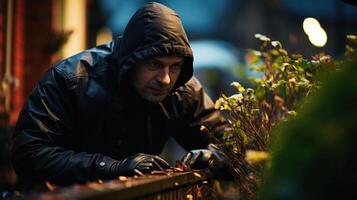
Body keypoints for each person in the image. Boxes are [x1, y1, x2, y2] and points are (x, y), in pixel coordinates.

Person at [11, 2, 231, 188]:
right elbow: (29, 153)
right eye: (154, 64)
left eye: (174, 66)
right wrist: (111, 167)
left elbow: (234, 146)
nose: (165, 78)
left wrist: (215, 156)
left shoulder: (182, 90)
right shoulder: (70, 80)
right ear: (131, 60)